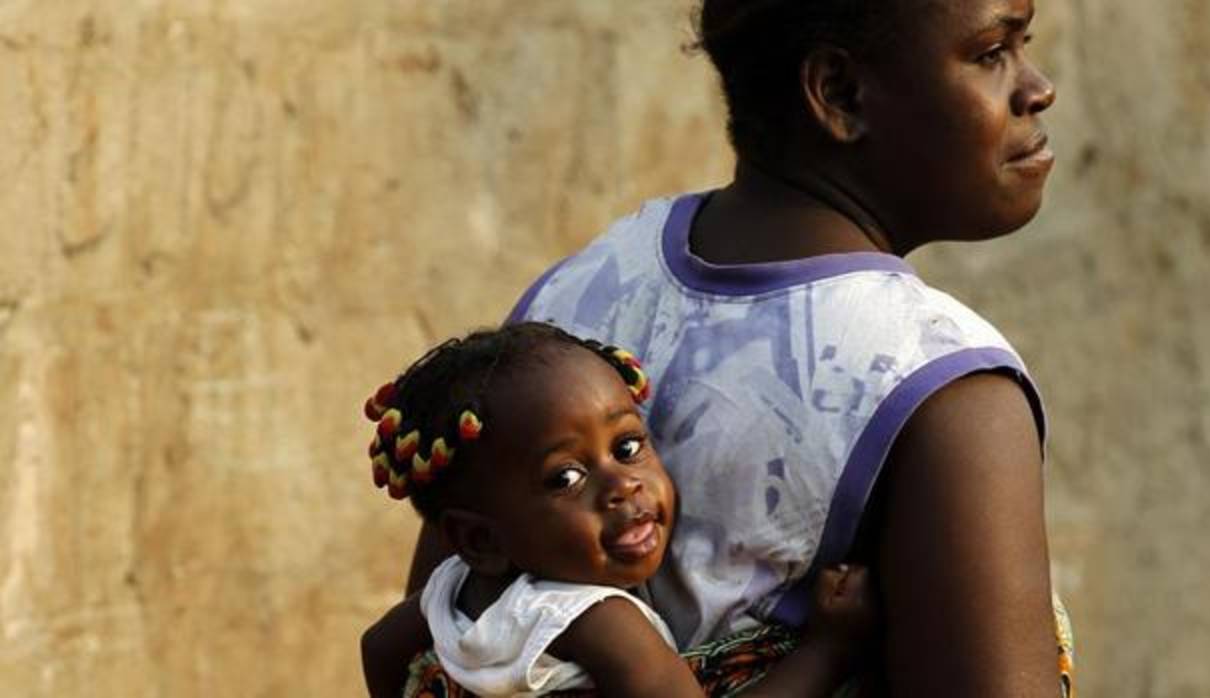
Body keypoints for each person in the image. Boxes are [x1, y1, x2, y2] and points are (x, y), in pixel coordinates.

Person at [367, 0, 1076, 695]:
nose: (1037, 88)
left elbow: (433, 645)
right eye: (991, 53)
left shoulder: (581, 292)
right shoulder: (943, 382)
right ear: (839, 93)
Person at [360, 322, 877, 697]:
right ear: (481, 541)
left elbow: (377, 647)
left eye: (628, 447)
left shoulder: (447, 593)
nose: (623, 486)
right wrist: (825, 651)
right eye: (566, 478)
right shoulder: (599, 621)